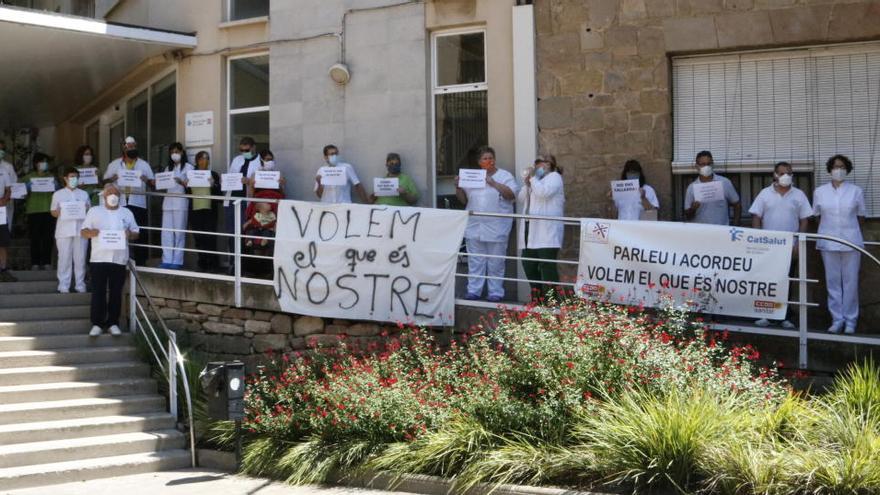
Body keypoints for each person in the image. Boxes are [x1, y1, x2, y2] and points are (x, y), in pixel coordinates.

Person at [748, 161, 812, 329]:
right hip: (769, 247)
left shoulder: (799, 195)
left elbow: (805, 219)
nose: (786, 176)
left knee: (787, 280)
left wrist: (799, 242)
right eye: (782, 173)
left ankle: (784, 316)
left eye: (789, 173)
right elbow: (756, 217)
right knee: (768, 281)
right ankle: (765, 315)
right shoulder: (764, 194)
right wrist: (758, 239)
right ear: (775, 175)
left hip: (790, 247)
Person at [456, 146, 519, 302]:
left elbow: (511, 195)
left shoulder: (504, 176)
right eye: (485, 158)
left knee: (496, 262)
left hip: (497, 226)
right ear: (479, 162)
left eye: (491, 157)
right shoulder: (472, 176)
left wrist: (493, 183)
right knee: (475, 261)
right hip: (475, 226)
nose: (489, 160)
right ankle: (474, 291)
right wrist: (457, 186)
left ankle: (495, 293)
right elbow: (464, 200)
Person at [813, 154, 866, 334]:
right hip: (828, 241)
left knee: (851, 281)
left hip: (852, 242)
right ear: (830, 170)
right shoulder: (820, 191)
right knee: (832, 281)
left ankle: (851, 321)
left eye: (842, 167)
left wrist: (850, 230)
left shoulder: (856, 191)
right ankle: (837, 320)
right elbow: (817, 215)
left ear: (847, 169)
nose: (839, 170)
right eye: (836, 167)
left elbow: (861, 216)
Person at [81, 184, 139, 337]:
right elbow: (84, 231)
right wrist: (91, 232)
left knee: (115, 292)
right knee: (98, 292)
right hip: (98, 258)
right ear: (104, 195)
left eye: (116, 193)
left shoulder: (127, 212)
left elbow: (136, 232)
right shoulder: (94, 211)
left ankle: (113, 322)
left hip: (119, 259)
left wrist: (130, 235)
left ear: (120, 196)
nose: (113, 196)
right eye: (110, 193)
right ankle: (97, 323)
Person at [518, 154, 564, 300]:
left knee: (547, 267)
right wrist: (527, 183)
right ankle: (538, 298)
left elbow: (544, 193)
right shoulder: (534, 181)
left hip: (547, 232)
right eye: (536, 162)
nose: (538, 165)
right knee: (528, 264)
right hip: (529, 230)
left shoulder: (555, 177)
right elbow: (520, 198)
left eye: (542, 162)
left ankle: (552, 301)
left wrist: (532, 179)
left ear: (551, 165)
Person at [103, 136, 154, 265]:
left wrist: (146, 180)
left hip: (138, 203)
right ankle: (119, 261)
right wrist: (112, 178)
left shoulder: (144, 164)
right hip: (120, 204)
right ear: (124, 147)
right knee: (119, 231)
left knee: (139, 233)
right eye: (129, 146)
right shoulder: (114, 164)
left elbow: (153, 183)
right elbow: (103, 182)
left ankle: (141, 262)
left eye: (134, 146)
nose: (132, 148)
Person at [51, 168, 91, 293]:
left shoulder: (84, 194)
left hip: (81, 231)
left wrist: (85, 208)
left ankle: (80, 284)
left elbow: (90, 211)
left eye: (76, 177)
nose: (74, 179)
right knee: (64, 258)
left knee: (80, 258)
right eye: (71, 176)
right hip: (64, 231)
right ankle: (63, 285)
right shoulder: (58, 194)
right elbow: (53, 212)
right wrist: (62, 211)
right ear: (65, 178)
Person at [224, 137, 259, 271]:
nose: (244, 152)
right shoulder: (237, 160)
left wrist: (249, 181)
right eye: (241, 150)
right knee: (232, 233)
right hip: (232, 200)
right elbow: (230, 176)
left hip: (247, 202)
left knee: (245, 232)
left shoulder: (259, 162)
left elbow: (260, 181)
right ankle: (233, 263)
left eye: (247, 150)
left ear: (253, 147)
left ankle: (244, 265)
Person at [684, 150, 741, 225]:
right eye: (703, 164)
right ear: (697, 166)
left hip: (721, 231)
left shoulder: (724, 182)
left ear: (712, 164)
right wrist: (693, 209)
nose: (706, 167)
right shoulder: (691, 188)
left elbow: (737, 205)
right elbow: (687, 216)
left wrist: (735, 226)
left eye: (709, 164)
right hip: (700, 233)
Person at [159, 142, 192, 269]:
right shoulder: (168, 168)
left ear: (182, 153)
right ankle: (166, 259)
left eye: (177, 152)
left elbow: (191, 184)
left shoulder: (188, 167)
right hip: (168, 203)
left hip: (180, 202)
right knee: (166, 232)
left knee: (179, 233)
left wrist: (182, 182)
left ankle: (177, 261)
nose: (174, 154)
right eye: (172, 152)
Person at [21, 153, 57, 270]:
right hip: (33, 210)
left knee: (48, 237)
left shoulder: (51, 176)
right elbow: (19, 192)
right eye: (42, 162)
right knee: (35, 237)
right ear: (36, 163)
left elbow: (59, 191)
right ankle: (35, 263)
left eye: (46, 162)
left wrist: (56, 185)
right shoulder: (29, 177)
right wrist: (26, 187)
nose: (44, 164)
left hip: (48, 210)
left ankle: (46, 262)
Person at [189, 151, 221, 272]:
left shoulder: (213, 174)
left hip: (209, 210)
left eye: (207, 159)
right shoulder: (191, 174)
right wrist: (185, 184)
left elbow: (219, 194)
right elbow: (187, 192)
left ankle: (213, 263)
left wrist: (214, 184)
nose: (204, 161)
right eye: (202, 159)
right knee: (199, 238)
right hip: (195, 210)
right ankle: (202, 262)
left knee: (210, 237)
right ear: (197, 161)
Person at [0, 165, 14, 282]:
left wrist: (4, 200)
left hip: (0, 210)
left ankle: (3, 269)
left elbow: (9, 190)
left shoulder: (3, 171)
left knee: (2, 242)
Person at [0, 140, 16, 234]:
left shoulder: (7, 167)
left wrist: (5, 199)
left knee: (3, 232)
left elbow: (13, 184)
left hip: (4, 202)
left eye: (1, 149)